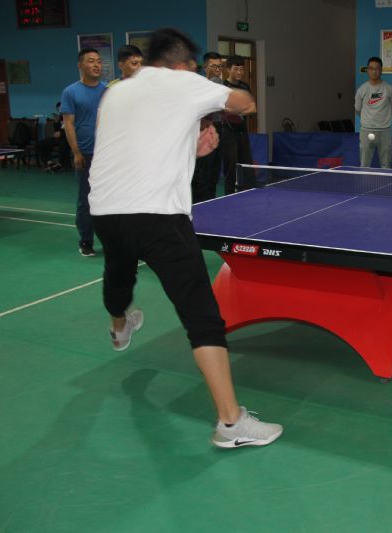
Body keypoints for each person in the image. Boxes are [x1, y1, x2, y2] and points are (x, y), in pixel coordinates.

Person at [87, 28, 282, 448]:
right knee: (202, 317)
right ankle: (231, 424)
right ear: (182, 64)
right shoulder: (183, 82)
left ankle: (120, 326)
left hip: (105, 211)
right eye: (193, 67)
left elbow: (129, 149)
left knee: (119, 273)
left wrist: (190, 148)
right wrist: (216, 89)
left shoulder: (117, 92)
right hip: (157, 217)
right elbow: (245, 104)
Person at [61, 48, 107, 257]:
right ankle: (86, 240)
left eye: (98, 61)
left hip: (107, 154)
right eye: (91, 61)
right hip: (86, 154)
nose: (96, 65)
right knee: (86, 200)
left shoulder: (108, 90)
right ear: (80, 65)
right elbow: (69, 124)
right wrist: (76, 152)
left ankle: (111, 240)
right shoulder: (70, 92)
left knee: (110, 200)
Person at [191, 51, 225, 203]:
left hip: (218, 128)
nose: (217, 70)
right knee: (202, 176)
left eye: (220, 66)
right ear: (205, 68)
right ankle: (199, 207)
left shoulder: (219, 84)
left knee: (214, 174)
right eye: (214, 66)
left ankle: (211, 205)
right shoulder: (198, 86)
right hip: (203, 130)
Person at [221, 55, 256, 194]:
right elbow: (223, 109)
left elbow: (253, 109)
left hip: (242, 131)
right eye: (236, 69)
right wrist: (240, 109)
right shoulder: (223, 87)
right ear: (228, 69)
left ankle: (248, 193)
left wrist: (236, 110)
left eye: (242, 69)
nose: (240, 72)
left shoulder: (244, 86)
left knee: (246, 165)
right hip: (228, 131)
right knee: (230, 166)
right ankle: (229, 195)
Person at [355, 56, 392, 168]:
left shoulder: (389, 89)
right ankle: (364, 180)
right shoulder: (362, 89)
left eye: (377, 68)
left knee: (386, 165)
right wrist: (368, 120)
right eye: (371, 68)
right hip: (366, 130)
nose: (374, 71)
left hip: (385, 131)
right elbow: (358, 109)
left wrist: (384, 119)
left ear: (381, 70)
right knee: (364, 165)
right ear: (367, 70)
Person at [36, 102, 70, 171]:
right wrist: (56, 122)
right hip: (58, 138)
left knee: (63, 144)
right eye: (58, 109)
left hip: (68, 138)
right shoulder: (60, 117)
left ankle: (60, 165)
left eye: (61, 109)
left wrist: (61, 133)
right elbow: (56, 130)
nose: (60, 111)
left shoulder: (71, 116)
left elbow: (73, 129)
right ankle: (49, 162)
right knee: (40, 144)